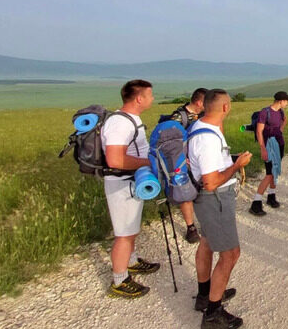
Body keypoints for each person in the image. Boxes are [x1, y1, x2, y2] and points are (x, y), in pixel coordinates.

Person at [189, 89, 252, 329]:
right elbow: (211, 181)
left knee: (206, 242)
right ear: (225, 107)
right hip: (214, 198)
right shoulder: (207, 139)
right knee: (230, 254)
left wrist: (230, 161)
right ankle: (213, 312)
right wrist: (237, 165)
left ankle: (205, 295)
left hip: (208, 199)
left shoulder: (203, 127)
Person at [101, 79, 160, 298]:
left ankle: (132, 261)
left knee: (131, 228)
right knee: (124, 233)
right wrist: (147, 163)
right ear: (139, 98)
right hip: (122, 183)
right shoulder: (120, 123)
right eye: (150, 95)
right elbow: (115, 159)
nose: (152, 99)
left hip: (131, 181)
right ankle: (120, 280)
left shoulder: (129, 119)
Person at [166, 87, 208, 244]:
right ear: (199, 102)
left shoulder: (203, 115)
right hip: (184, 162)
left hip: (200, 159)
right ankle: (191, 227)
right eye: (206, 102)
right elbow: (171, 143)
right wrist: (183, 158)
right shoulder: (177, 118)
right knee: (185, 194)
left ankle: (205, 221)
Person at [249, 91, 288, 216]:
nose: (287, 103)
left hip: (279, 144)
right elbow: (259, 132)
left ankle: (271, 196)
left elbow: (283, 122)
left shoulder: (280, 112)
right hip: (269, 145)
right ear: (280, 101)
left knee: (275, 171)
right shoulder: (265, 112)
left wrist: (280, 131)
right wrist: (263, 149)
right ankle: (256, 203)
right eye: (286, 101)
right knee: (269, 173)